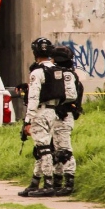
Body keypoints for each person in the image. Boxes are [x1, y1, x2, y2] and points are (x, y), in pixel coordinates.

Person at [18, 37, 62, 197]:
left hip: (40, 112)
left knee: (43, 149)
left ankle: (48, 183)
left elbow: (33, 97)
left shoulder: (37, 72)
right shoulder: (57, 70)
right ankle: (35, 182)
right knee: (41, 147)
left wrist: (28, 120)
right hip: (53, 111)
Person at [51, 45, 83, 196]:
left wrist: (57, 102)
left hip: (64, 115)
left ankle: (69, 182)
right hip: (58, 116)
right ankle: (57, 182)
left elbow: (70, 96)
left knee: (64, 150)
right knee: (56, 149)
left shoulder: (67, 75)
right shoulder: (66, 74)